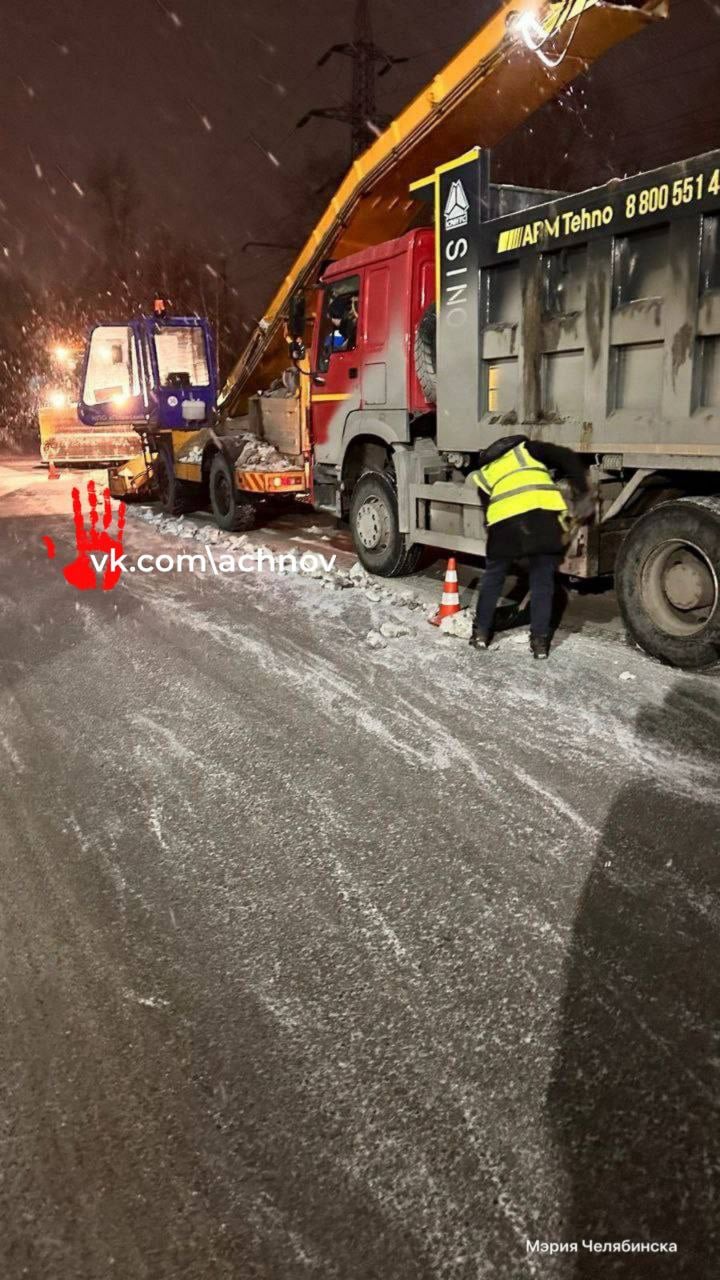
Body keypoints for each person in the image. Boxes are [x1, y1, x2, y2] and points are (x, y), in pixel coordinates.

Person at [467, 435, 593, 659]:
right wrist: (583, 492)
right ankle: (540, 644)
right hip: (544, 519)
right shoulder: (527, 450)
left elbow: (488, 514)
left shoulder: (484, 474)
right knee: (542, 581)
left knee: (494, 577)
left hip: (505, 523)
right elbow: (566, 457)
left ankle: (481, 634)